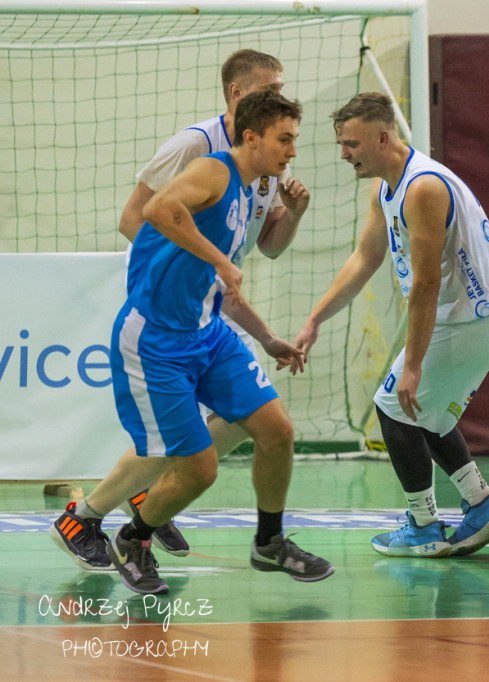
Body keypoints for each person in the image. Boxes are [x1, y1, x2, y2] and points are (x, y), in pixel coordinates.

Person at [50, 49, 310, 571]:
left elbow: (262, 251)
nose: (281, 96)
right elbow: (144, 215)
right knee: (186, 458)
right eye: (273, 89)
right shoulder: (202, 151)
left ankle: (260, 536)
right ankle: (102, 515)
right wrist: (195, 262)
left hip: (205, 321)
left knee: (258, 426)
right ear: (243, 103)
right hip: (160, 321)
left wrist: (259, 326)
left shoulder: (258, 176)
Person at [102, 91, 332, 594]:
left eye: (295, 139)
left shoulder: (257, 190)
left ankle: (269, 542)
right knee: (200, 469)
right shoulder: (214, 170)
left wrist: (267, 337)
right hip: (156, 340)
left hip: (206, 332)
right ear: (251, 138)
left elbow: (221, 287)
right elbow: (159, 207)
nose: (293, 151)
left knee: (276, 430)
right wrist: (222, 260)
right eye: (284, 139)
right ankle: (132, 539)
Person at [292, 92, 489, 558]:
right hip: (468, 318)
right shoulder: (385, 188)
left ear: (383, 137)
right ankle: (481, 504)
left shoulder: (422, 188)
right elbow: (365, 258)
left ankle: (422, 526)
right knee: (424, 410)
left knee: (394, 407)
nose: (343, 154)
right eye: (341, 143)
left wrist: (413, 363)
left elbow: (426, 284)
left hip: (471, 317)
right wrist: (316, 318)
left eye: (351, 144)